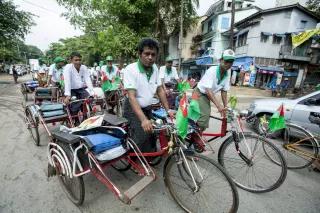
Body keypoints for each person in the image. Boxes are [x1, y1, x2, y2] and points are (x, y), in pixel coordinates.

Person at [123, 38, 174, 152]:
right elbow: (131, 96)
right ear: (139, 54)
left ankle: (149, 156)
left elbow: (160, 90)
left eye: (153, 54)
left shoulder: (155, 68)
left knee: (154, 132)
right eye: (147, 54)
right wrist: (143, 120)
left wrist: (168, 110)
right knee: (141, 135)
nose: (150, 57)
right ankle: (136, 161)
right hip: (132, 108)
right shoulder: (131, 69)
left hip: (147, 107)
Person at [192, 49, 235, 131]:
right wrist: (219, 106)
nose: (228, 64)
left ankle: (197, 133)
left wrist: (225, 107)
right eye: (226, 61)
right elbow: (208, 90)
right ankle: (196, 136)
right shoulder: (212, 70)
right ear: (221, 60)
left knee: (202, 115)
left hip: (206, 96)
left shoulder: (227, 73)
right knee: (204, 115)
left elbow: (224, 91)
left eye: (231, 62)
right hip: (198, 93)